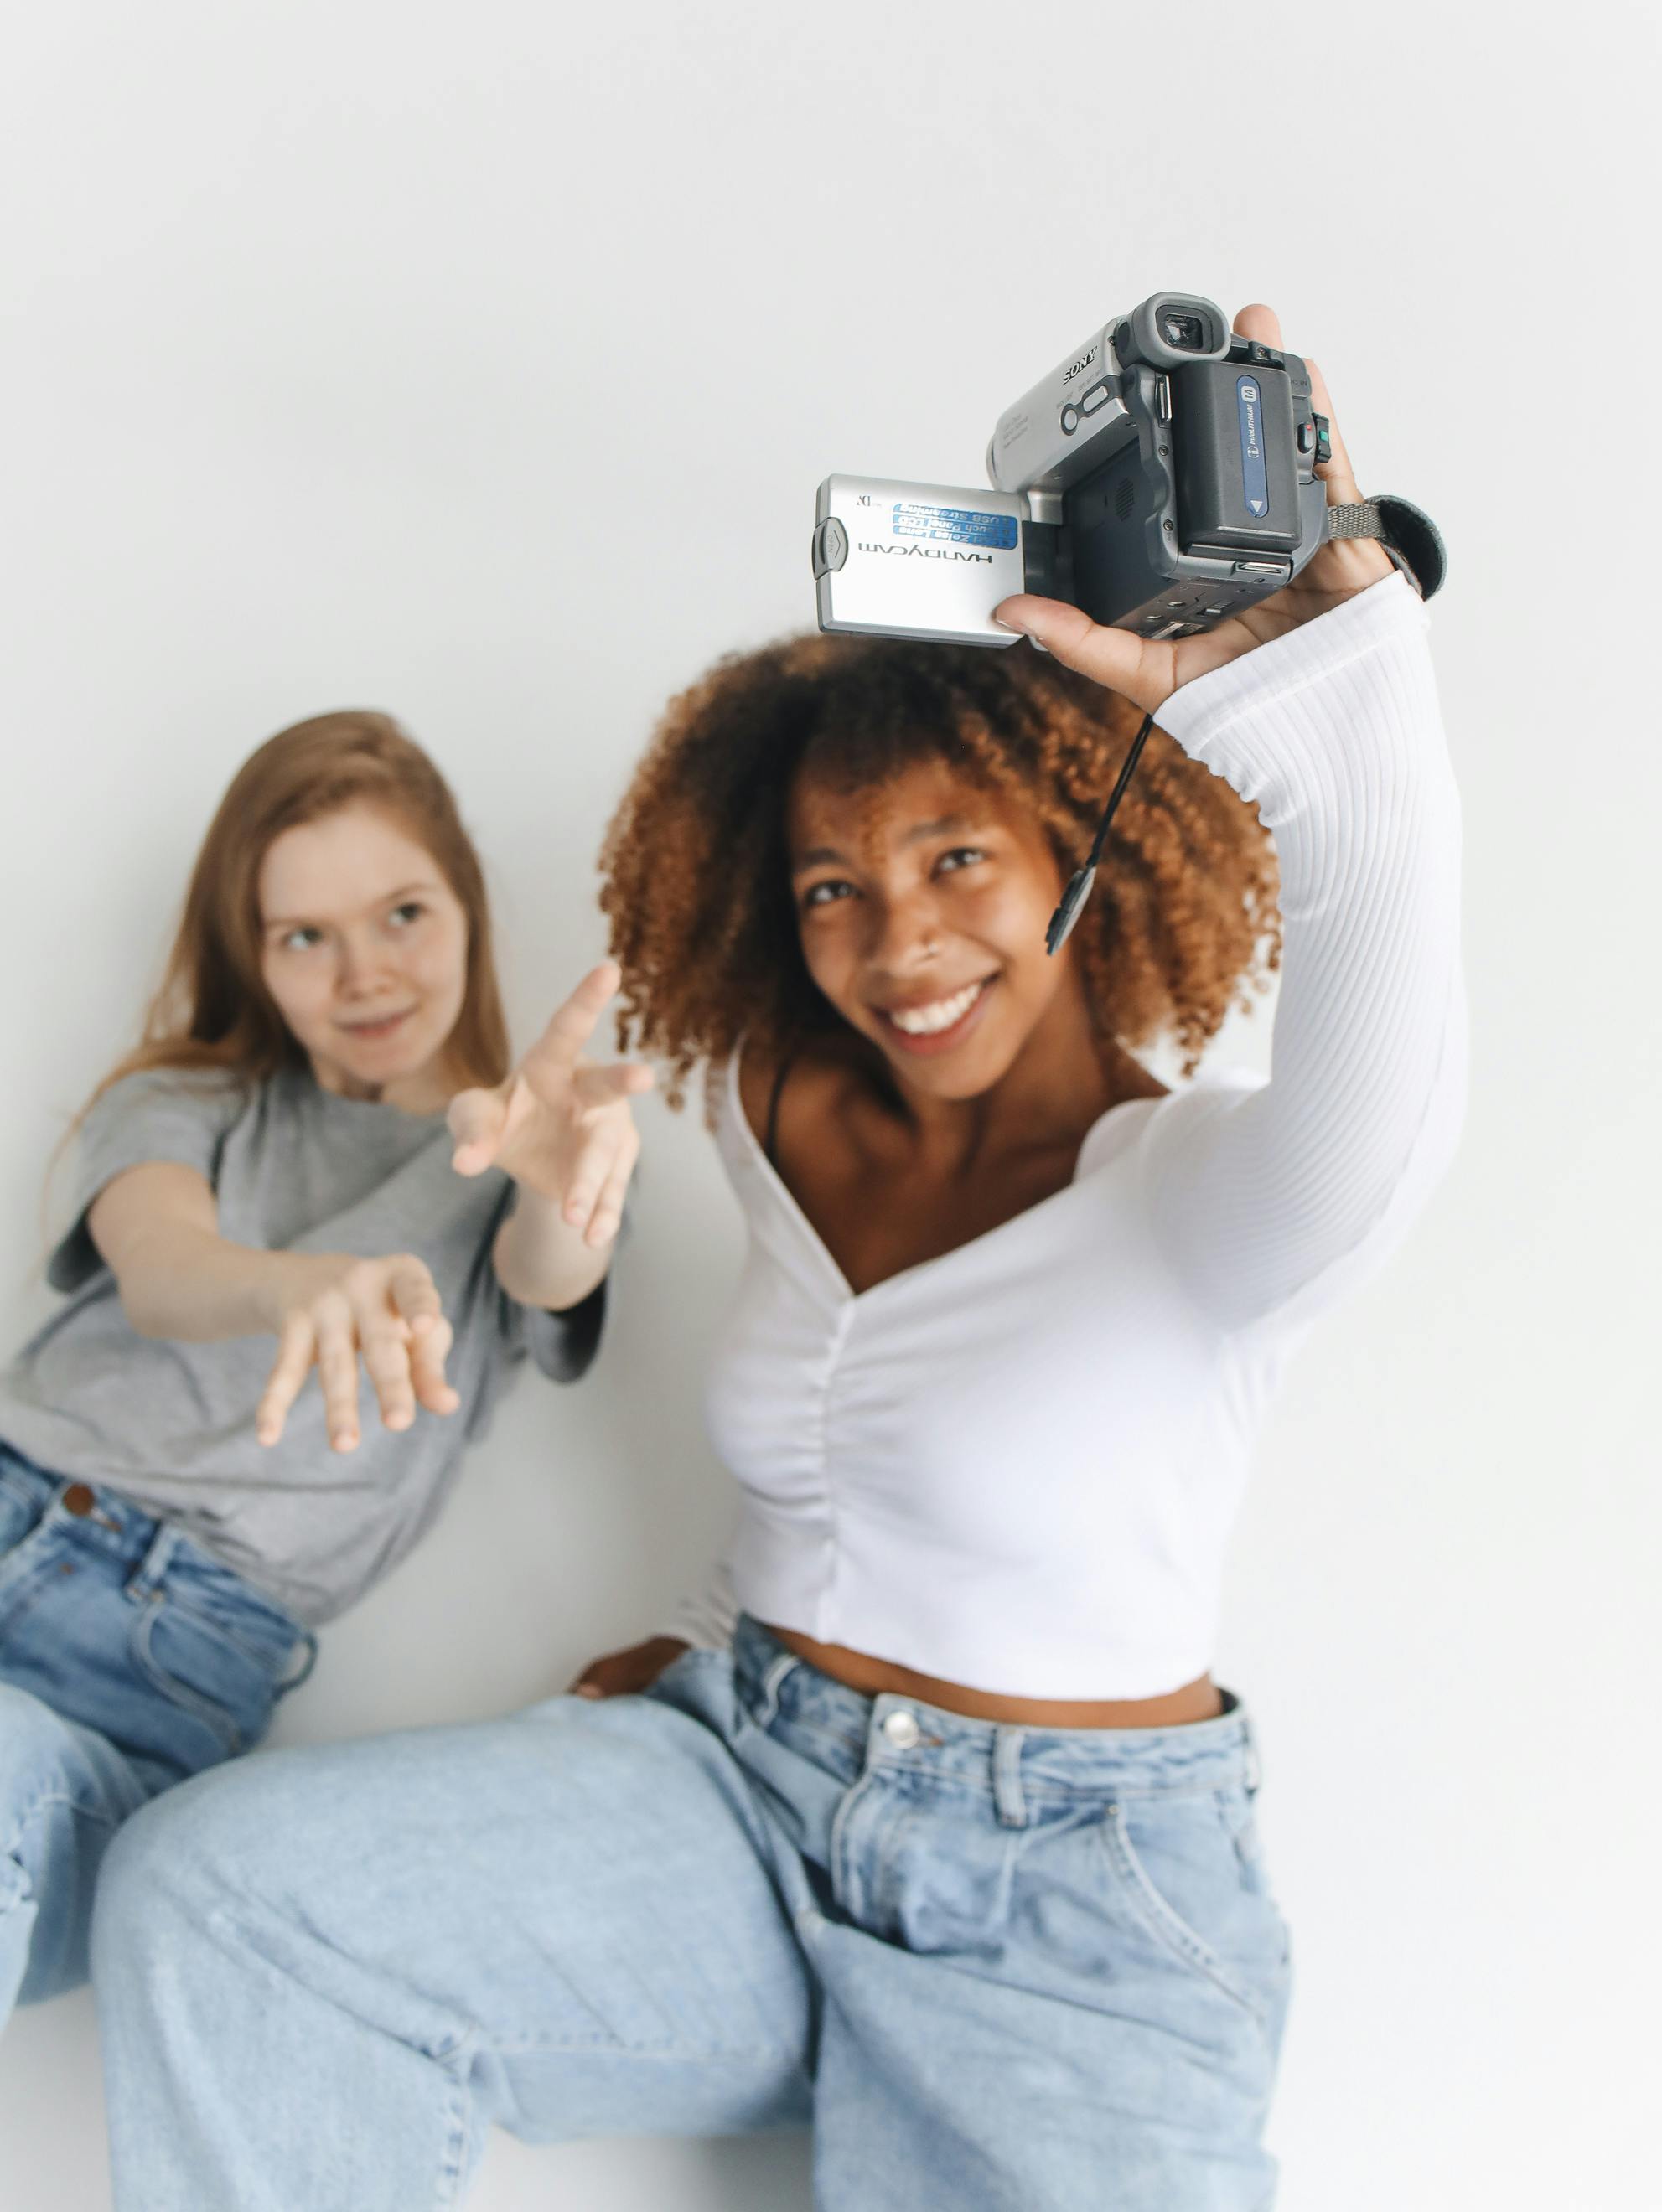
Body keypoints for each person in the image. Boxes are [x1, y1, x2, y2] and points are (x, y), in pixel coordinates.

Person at [91, 307, 1464, 2211]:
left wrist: (1342, 689)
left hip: (1060, 1902)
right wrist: (569, 1231)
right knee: (223, 1893)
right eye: (834, 884)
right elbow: (812, 1431)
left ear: (1079, 848)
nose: (894, 940)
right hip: (737, 1778)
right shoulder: (763, 1105)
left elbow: (1388, 1080)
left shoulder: (1208, 1200)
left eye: (955, 861)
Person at [0, 710, 645, 2034]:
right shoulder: (191, 1098)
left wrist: (565, 1189)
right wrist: (293, 1285)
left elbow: (550, 1275)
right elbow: (164, 1268)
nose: (365, 973)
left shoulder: (508, 1168)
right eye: (306, 937)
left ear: (463, 900)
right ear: (256, 957)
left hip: (155, 1668)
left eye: (402, 911)